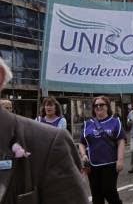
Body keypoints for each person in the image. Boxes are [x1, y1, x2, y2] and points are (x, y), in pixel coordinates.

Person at [0, 58, 88, 204]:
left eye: (51, 106)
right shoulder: (38, 120)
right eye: (46, 106)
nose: (48, 108)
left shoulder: (51, 139)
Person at [79, 96, 126, 204]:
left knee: (109, 191)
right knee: (96, 195)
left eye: (101, 105)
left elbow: (121, 141)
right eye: (96, 105)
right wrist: (83, 155)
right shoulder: (87, 124)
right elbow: (81, 142)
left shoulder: (115, 122)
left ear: (107, 107)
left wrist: (120, 160)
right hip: (93, 165)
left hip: (110, 163)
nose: (98, 107)